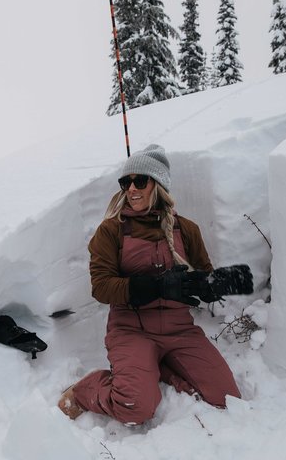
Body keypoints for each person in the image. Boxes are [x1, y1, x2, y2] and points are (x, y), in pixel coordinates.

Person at [58, 144, 242, 424]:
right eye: (125, 182)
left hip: (180, 331)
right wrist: (156, 287)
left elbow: (204, 274)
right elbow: (102, 287)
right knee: (135, 408)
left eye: (139, 181)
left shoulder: (187, 229)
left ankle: (159, 366)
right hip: (132, 330)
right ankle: (86, 389)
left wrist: (213, 285)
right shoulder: (111, 230)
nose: (131, 189)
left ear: (158, 185)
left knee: (226, 398)